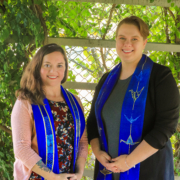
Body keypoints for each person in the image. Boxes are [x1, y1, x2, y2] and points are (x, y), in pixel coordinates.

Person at [87, 16, 179, 180]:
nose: (127, 44)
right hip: (108, 171)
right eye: (122, 38)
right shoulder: (106, 81)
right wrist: (98, 152)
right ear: (116, 41)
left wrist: (129, 162)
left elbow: (165, 127)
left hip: (148, 172)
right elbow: (93, 120)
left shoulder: (160, 77)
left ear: (144, 42)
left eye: (134, 39)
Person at [11, 43, 88, 180]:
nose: (53, 71)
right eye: (47, 65)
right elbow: (21, 149)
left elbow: (82, 141)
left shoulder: (75, 102)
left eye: (59, 65)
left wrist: (79, 173)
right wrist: (54, 177)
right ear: (37, 67)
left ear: (65, 68)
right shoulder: (26, 101)